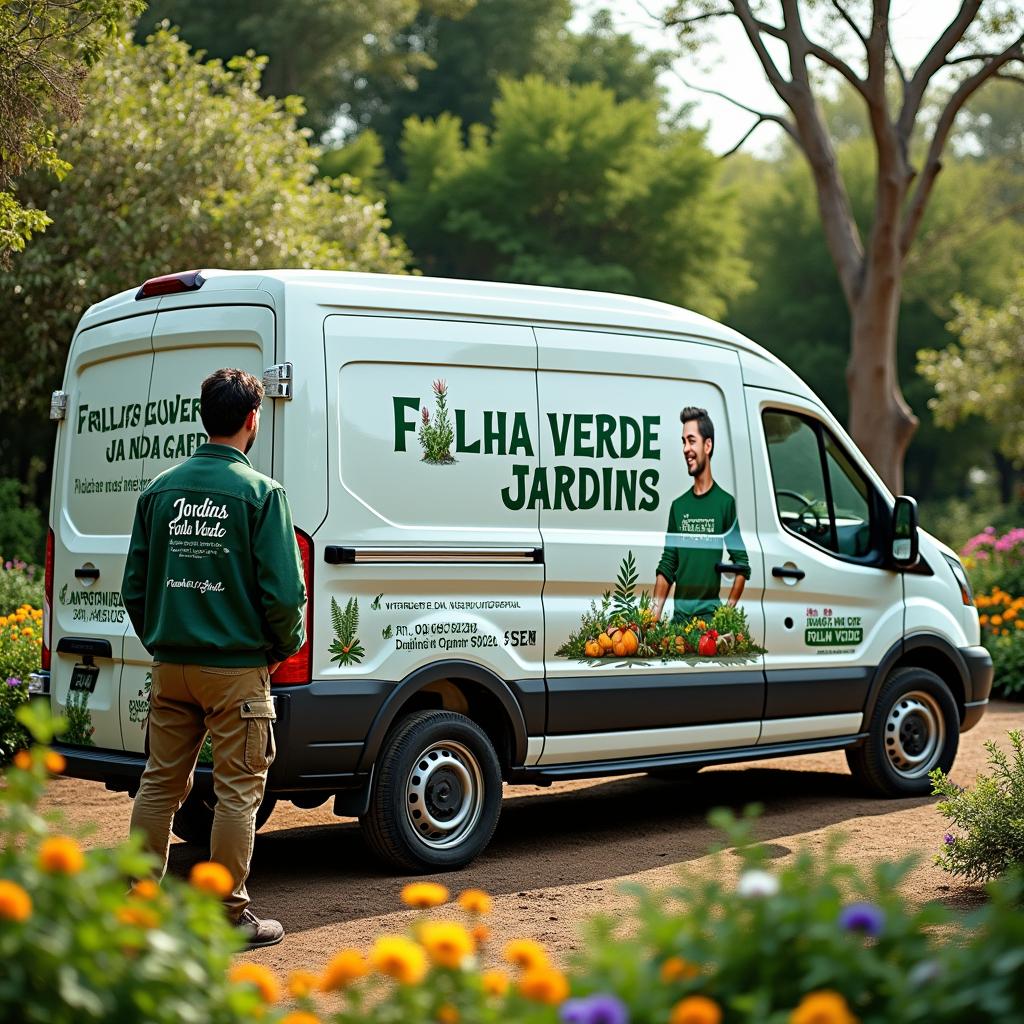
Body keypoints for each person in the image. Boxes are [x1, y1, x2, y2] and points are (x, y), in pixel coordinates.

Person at [121, 368, 306, 949]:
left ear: (204, 415)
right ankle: (227, 913)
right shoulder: (261, 494)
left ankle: (136, 903)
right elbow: (283, 595)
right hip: (235, 671)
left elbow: (133, 586)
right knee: (238, 790)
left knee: (159, 783)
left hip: (171, 666)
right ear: (253, 418)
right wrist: (279, 650)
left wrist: (164, 640)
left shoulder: (159, 491)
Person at [651, 406, 749, 624]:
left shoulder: (724, 504)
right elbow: (668, 563)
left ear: (708, 445)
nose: (686, 448)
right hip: (678, 624)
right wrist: (654, 614)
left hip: (709, 625)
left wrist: (726, 615)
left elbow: (741, 565)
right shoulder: (678, 506)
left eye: (691, 441)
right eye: (683, 442)